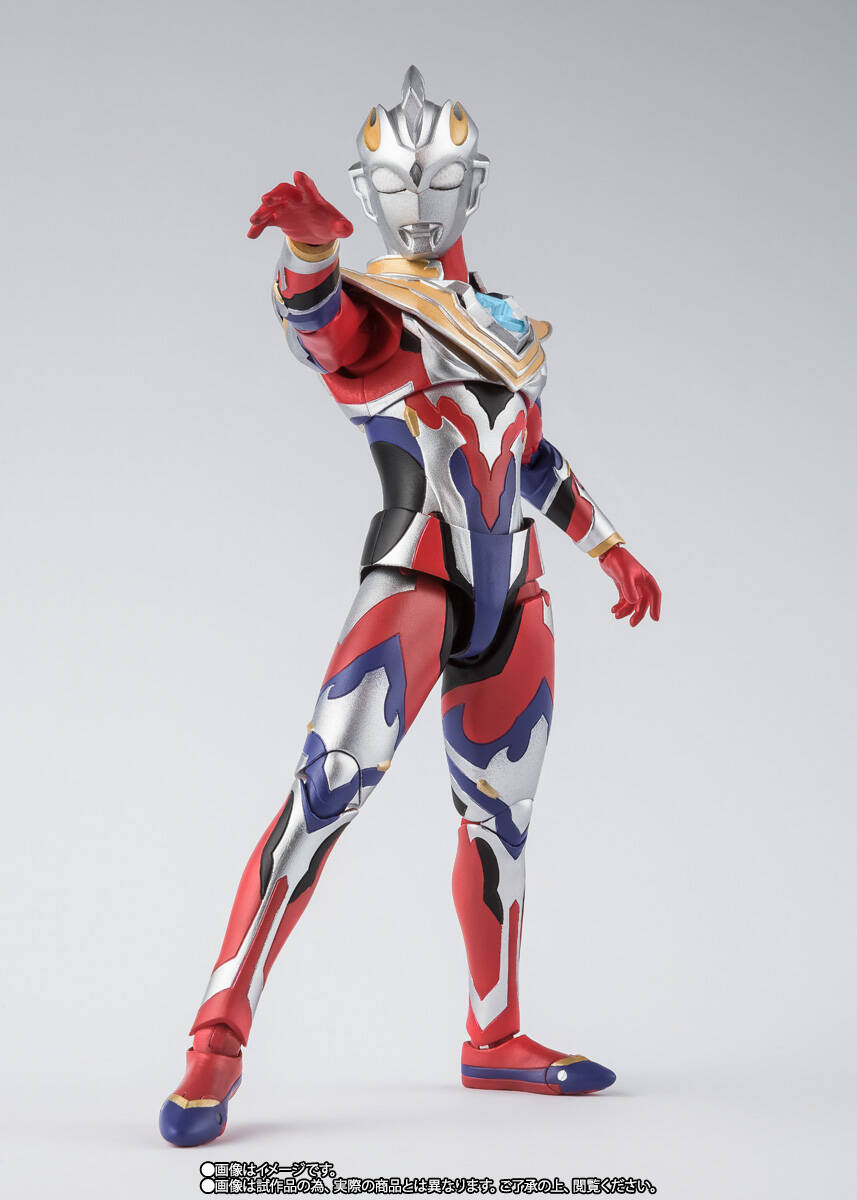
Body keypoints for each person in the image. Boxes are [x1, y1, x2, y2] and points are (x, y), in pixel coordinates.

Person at [159, 66, 661, 1148]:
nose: (418, 203)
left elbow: (527, 456)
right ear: (366, 191)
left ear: (471, 186)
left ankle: (494, 1037)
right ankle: (215, 1039)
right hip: (416, 576)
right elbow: (325, 332)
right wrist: (309, 255)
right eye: (395, 184)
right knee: (322, 798)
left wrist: (608, 546)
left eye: (437, 182)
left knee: (499, 826)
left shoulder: (504, 321)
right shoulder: (382, 312)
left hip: (514, 591)